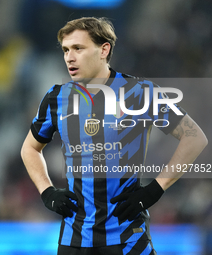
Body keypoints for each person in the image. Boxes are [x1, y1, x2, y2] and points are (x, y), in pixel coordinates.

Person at [21, 17, 208, 255]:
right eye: (66, 50)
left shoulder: (140, 92)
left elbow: (194, 137)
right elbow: (29, 148)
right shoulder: (56, 98)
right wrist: (47, 191)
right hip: (74, 239)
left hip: (127, 237)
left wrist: (155, 189)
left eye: (78, 48)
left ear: (104, 49)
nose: (69, 57)